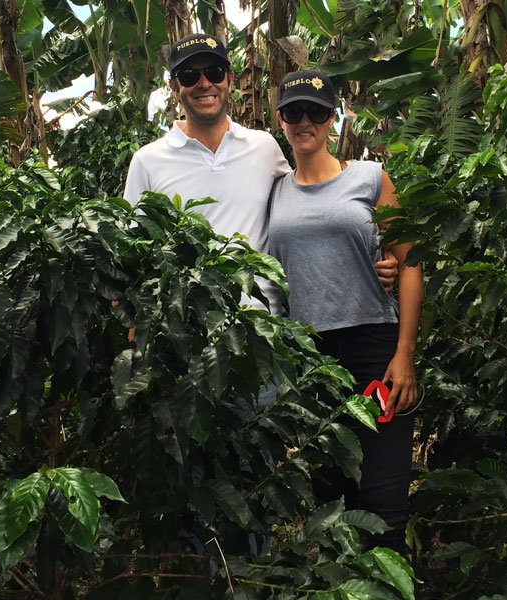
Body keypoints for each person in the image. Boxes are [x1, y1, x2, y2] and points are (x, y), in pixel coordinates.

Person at [123, 33, 397, 317]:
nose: (204, 83)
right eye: (190, 76)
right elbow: (133, 254)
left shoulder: (263, 147)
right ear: (174, 86)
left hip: (265, 332)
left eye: (214, 72)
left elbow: (311, 205)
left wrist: (378, 256)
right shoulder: (148, 162)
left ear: (230, 79)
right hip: (186, 333)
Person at [265, 69, 424, 554]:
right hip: (311, 358)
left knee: (384, 503)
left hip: (374, 350)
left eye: (316, 111)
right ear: (281, 119)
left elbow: (409, 260)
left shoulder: (370, 177)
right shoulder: (274, 190)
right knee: (330, 501)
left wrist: (405, 354)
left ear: (332, 118)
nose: (305, 121)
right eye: (295, 111)